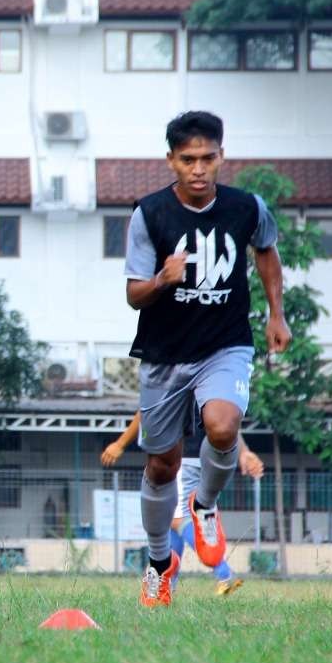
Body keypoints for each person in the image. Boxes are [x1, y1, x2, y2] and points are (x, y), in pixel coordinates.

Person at [124, 110, 290, 607]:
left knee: (222, 426)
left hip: (226, 343)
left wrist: (276, 314)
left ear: (222, 157)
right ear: (171, 161)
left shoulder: (247, 207)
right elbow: (134, 294)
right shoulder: (149, 214)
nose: (198, 169)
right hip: (164, 355)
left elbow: (266, 250)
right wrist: (161, 280)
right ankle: (158, 563)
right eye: (188, 159)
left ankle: (205, 506)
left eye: (208, 158)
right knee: (161, 465)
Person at [101, 412, 264, 595]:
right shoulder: (209, 385)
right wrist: (243, 451)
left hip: (181, 457)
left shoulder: (173, 382)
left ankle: (224, 573)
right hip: (209, 458)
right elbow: (224, 418)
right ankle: (165, 586)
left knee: (179, 519)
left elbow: (147, 409)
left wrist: (120, 443)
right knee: (171, 523)